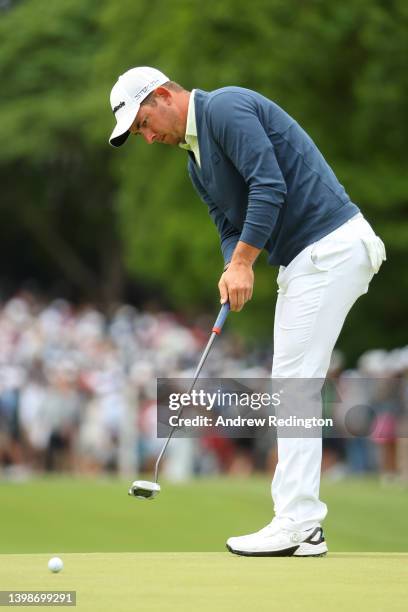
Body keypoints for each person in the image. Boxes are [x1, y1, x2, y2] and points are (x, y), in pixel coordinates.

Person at [108, 66, 386, 557]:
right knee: (293, 380)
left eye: (143, 122)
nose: (147, 137)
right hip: (308, 258)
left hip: (330, 246)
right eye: (137, 133)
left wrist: (244, 262)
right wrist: (231, 266)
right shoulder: (196, 161)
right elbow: (226, 224)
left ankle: (298, 522)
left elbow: (269, 185)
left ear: (163, 95)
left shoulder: (225, 107)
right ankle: (303, 525)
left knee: (294, 382)